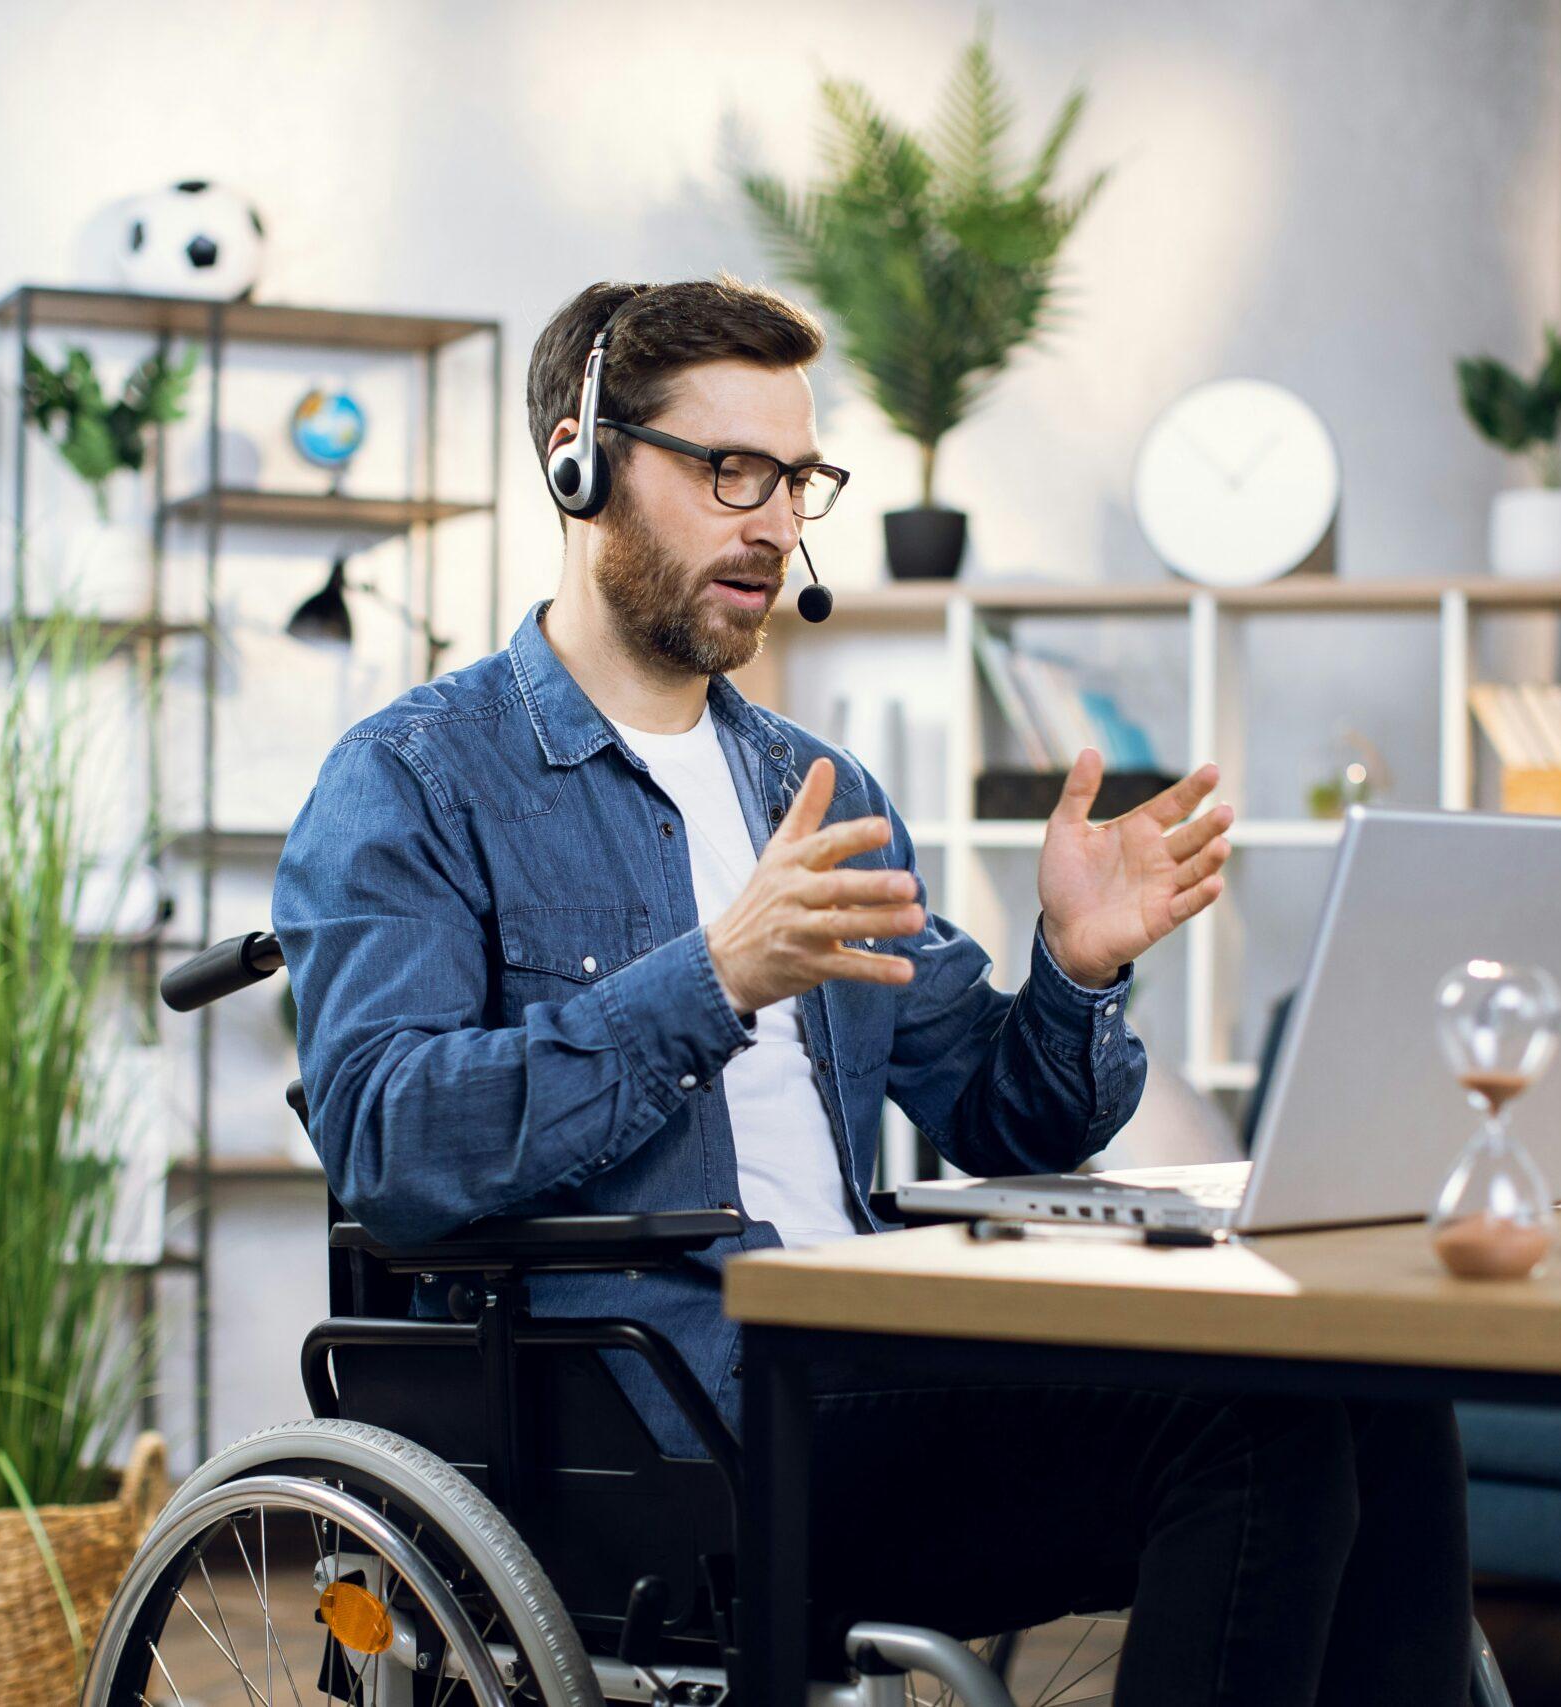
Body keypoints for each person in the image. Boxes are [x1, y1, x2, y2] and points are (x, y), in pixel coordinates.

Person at [272, 274, 1474, 1706]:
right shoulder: (417, 777)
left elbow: (1001, 1117)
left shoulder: (810, 785)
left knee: (1377, 1390)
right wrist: (714, 978)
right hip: (657, 1426)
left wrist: (1078, 970)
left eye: (795, 480)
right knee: (1254, 1435)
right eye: (728, 471)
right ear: (577, 466)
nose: (774, 523)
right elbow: (393, 1147)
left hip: (860, 1373)